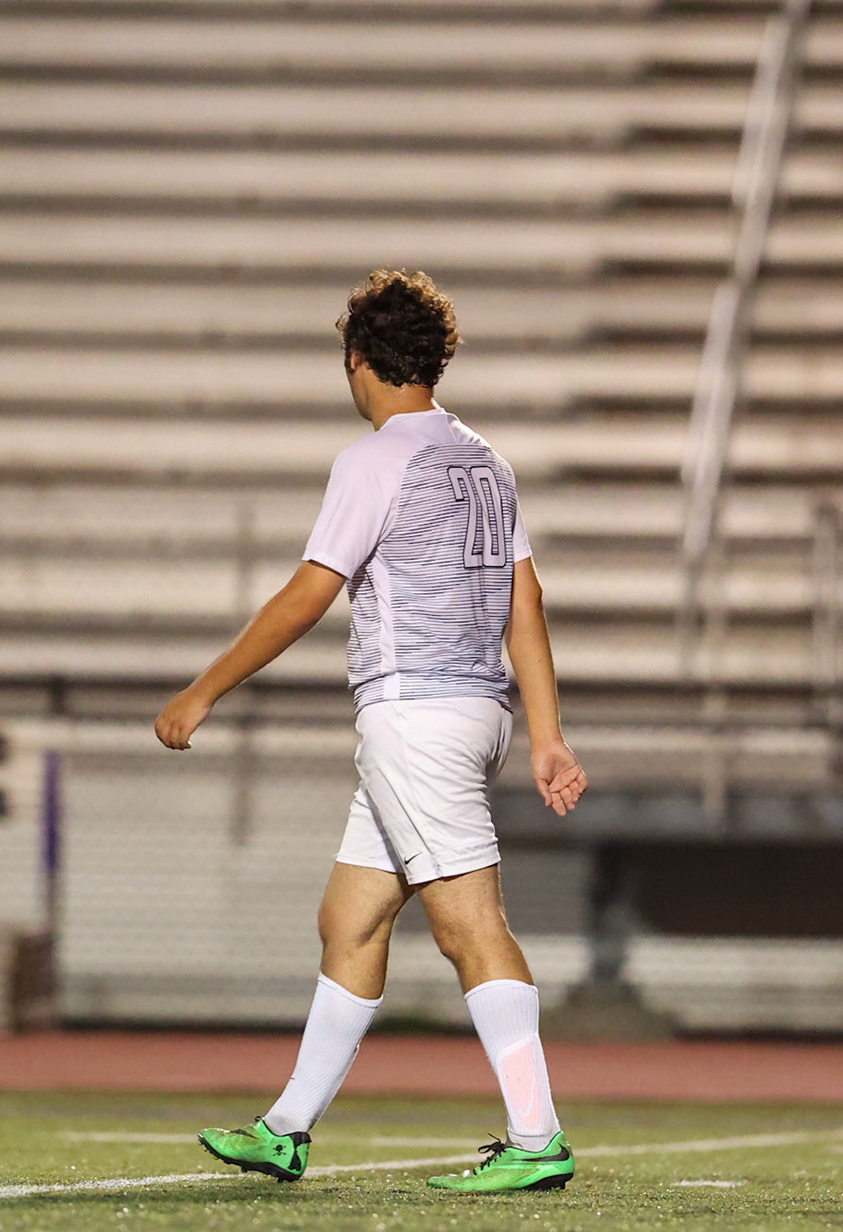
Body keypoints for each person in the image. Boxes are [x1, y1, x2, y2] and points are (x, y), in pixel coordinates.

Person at [155, 269, 587, 1193]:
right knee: (349, 921)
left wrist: (203, 692)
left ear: (360, 360)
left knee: (472, 927)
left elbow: (310, 593)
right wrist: (546, 734)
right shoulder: (486, 461)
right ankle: (286, 1128)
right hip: (474, 712)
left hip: (415, 716)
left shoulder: (375, 459)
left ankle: (537, 1134)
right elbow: (527, 604)